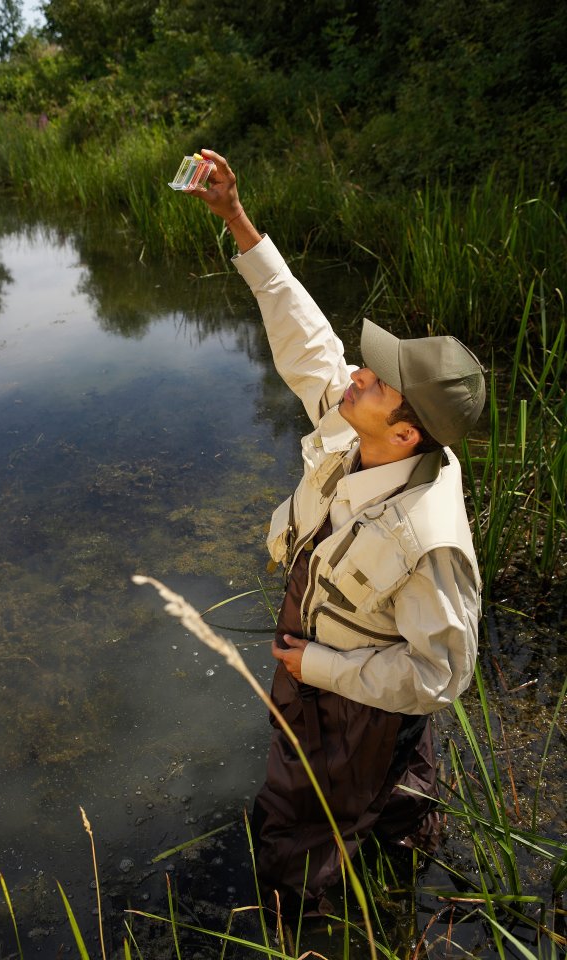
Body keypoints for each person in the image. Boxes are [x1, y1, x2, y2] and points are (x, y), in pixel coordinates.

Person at [188, 149, 486, 917]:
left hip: (346, 691)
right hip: (337, 668)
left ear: (409, 434)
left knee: (300, 813)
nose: (356, 375)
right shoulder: (358, 425)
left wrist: (317, 665)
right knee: (394, 783)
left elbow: (437, 679)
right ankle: (401, 852)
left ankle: (307, 921)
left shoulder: (432, 541)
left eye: (377, 381)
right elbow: (306, 335)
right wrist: (235, 216)